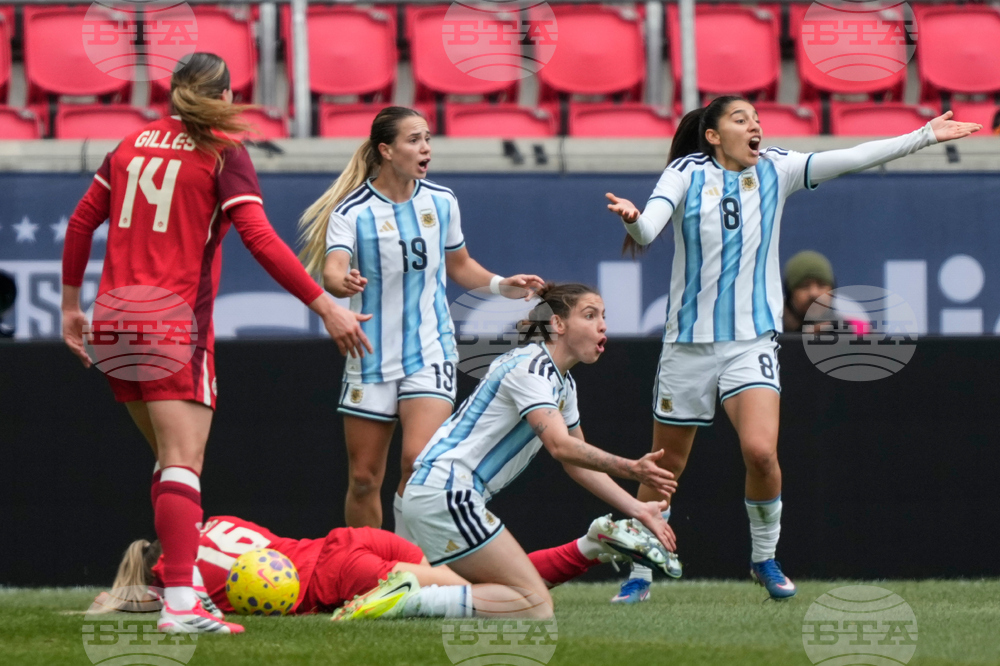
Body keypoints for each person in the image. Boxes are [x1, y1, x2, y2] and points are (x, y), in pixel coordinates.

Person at [605, 97, 981, 601]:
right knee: (664, 466)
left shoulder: (777, 169)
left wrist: (923, 136)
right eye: (741, 119)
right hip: (687, 346)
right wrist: (632, 219)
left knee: (761, 453)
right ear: (713, 135)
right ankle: (640, 573)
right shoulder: (685, 172)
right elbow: (649, 227)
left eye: (757, 119)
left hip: (751, 343)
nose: (755, 126)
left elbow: (853, 157)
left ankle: (764, 558)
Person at [61, 53, 371, 634]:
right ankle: (181, 605)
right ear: (226, 94)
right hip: (171, 320)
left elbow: (81, 223)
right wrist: (325, 305)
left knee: (168, 461)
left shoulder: (129, 144)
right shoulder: (222, 151)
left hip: (113, 318)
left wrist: (70, 307)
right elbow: (259, 237)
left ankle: (184, 586)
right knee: (183, 463)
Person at [297, 106, 544, 536]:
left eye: (427, 138)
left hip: (430, 350)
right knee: (364, 478)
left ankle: (411, 563)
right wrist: (341, 282)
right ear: (386, 150)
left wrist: (502, 285)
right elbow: (332, 273)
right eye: (414, 140)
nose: (426, 148)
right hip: (370, 354)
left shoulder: (441, 201)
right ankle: (369, 565)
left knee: (417, 465)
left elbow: (460, 265)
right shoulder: (352, 211)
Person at [393, 283, 680, 619]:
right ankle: (407, 601)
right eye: (590, 316)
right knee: (535, 605)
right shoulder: (531, 368)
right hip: (447, 493)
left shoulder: (563, 383)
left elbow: (579, 462)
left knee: (516, 593)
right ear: (558, 324)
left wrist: (638, 508)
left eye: (603, 316)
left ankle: (412, 594)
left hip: (443, 494)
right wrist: (632, 468)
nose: (602, 325)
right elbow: (560, 446)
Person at [102, 512, 664, 621]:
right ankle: (589, 545)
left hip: (339, 579)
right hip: (352, 541)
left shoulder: (174, 576)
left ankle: (589, 546)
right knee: (489, 579)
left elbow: (134, 602)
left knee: (504, 594)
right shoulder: (216, 520)